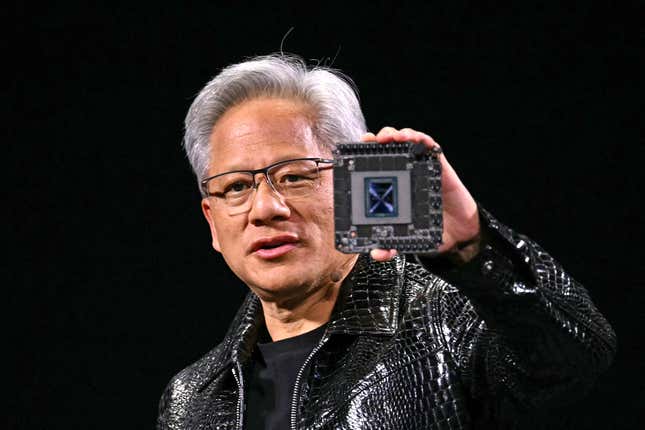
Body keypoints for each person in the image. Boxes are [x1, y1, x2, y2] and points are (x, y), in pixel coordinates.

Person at [157, 54, 615, 429]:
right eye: (236, 186)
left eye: (294, 176)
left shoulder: (446, 322)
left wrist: (476, 247)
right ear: (213, 222)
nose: (265, 208)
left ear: (353, 184)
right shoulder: (192, 398)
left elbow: (575, 355)